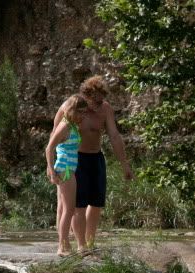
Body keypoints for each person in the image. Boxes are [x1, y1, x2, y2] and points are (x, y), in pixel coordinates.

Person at [52, 76, 134, 249]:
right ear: (86, 96)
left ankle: (89, 243)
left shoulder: (105, 109)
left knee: (96, 204)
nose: (99, 104)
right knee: (76, 206)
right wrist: (52, 166)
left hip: (96, 158)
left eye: (101, 100)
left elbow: (114, 136)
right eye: (95, 101)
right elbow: (55, 135)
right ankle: (77, 245)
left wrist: (124, 164)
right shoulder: (70, 107)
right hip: (74, 159)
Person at [45, 95, 89, 256]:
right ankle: (63, 247)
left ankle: (65, 245)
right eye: (81, 112)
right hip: (65, 169)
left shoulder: (72, 125)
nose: (83, 115)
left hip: (69, 168)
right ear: (72, 110)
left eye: (85, 112)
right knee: (69, 209)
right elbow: (49, 148)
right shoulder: (64, 125)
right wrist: (51, 170)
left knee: (64, 208)